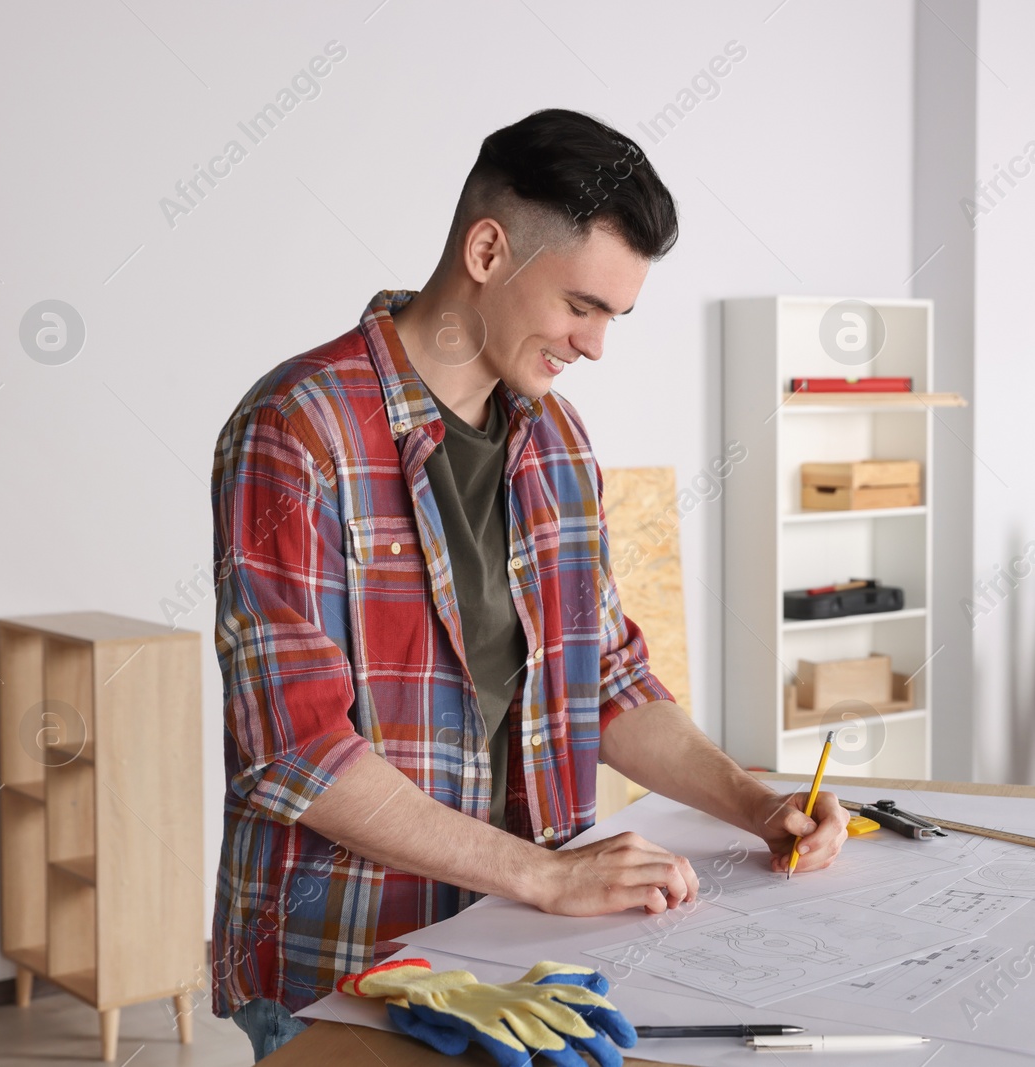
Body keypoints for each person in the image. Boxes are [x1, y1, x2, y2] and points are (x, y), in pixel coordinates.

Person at [208, 107, 849, 1060]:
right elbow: (296, 754)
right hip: (344, 963)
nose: (594, 345)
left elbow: (608, 680)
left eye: (614, 318)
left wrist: (754, 804)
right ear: (486, 248)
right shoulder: (297, 430)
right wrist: (548, 877)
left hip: (516, 952)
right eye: (581, 306)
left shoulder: (557, 442)